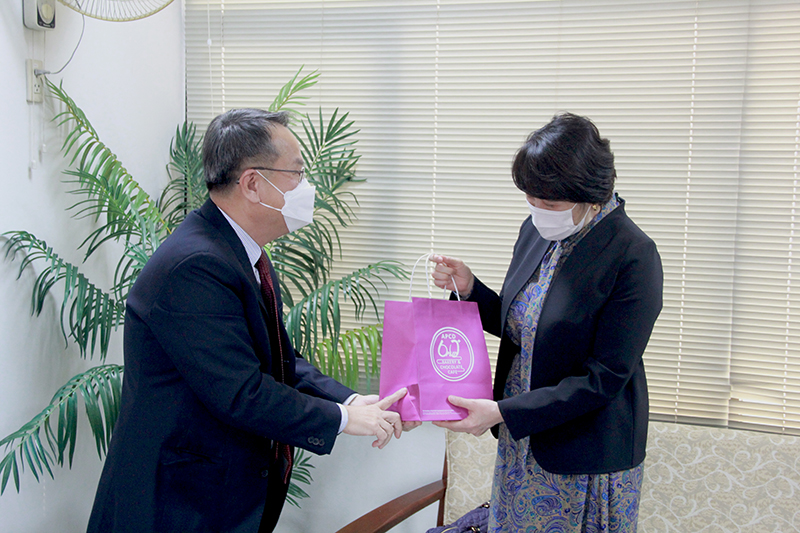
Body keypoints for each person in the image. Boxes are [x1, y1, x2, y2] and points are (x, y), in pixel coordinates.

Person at [87, 108, 408, 533]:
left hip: (215, 496)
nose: (305, 187)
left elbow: (278, 358)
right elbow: (242, 391)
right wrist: (345, 421)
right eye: (296, 173)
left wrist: (350, 401)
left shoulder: (238, 249)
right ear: (254, 184)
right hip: (177, 504)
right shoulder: (195, 265)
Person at [430, 112, 663, 533]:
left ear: (591, 195)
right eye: (530, 198)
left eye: (550, 202)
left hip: (583, 452)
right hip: (522, 438)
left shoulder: (633, 255)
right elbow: (525, 329)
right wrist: (470, 289)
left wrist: (503, 411)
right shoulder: (538, 230)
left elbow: (605, 377)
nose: (538, 209)